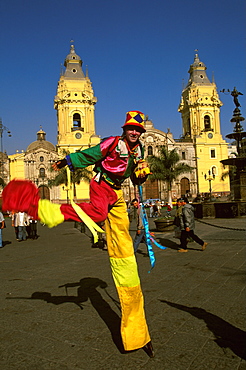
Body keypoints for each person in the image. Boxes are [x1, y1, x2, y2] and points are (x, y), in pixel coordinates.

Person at [2, 110, 154, 357]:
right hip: (102, 186)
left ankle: (137, 332)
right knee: (94, 214)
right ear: (125, 129)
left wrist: (140, 175)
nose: (135, 132)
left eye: (138, 130)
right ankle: (46, 210)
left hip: (118, 195)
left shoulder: (139, 151)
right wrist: (67, 161)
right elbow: (91, 155)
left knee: (126, 257)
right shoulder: (113, 142)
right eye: (131, 129)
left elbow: (135, 174)